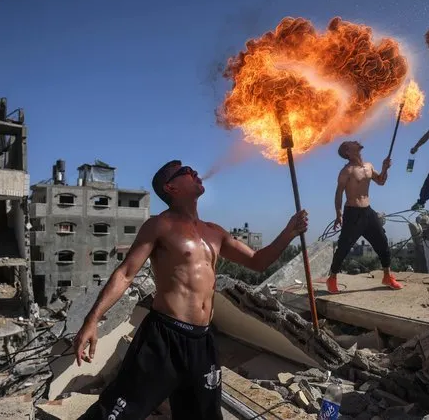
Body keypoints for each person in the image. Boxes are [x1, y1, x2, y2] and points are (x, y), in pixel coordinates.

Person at [74, 160, 308, 420]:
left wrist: (289, 232)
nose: (195, 172)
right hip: (164, 338)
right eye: (186, 171)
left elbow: (257, 262)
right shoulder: (159, 225)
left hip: (202, 341)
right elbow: (126, 273)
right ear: (171, 186)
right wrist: (92, 320)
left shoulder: (215, 232)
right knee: (118, 411)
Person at [326, 141, 402, 294]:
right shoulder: (346, 171)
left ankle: (387, 276)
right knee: (344, 247)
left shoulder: (368, 166)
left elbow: (380, 181)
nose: (356, 141)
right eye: (351, 143)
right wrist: (338, 214)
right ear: (347, 151)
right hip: (352, 213)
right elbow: (338, 193)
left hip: (368, 212)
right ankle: (332, 279)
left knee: (382, 242)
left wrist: (385, 168)